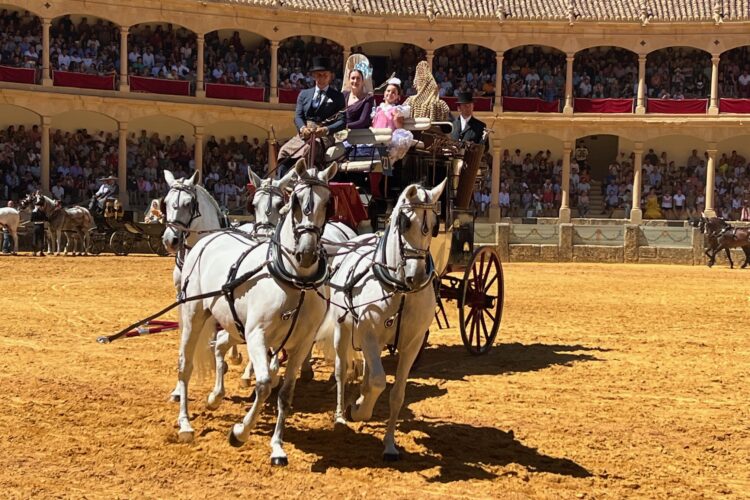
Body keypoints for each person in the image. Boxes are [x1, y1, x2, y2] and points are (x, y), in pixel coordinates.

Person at [277, 56, 346, 176]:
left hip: (323, 136)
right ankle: (281, 182)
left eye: (325, 75)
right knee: (283, 151)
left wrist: (326, 130)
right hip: (304, 134)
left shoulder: (338, 97)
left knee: (308, 149)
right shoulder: (304, 94)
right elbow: (298, 116)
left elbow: (342, 121)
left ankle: (303, 179)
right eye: (319, 75)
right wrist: (303, 128)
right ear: (314, 76)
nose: (322, 78)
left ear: (330, 76)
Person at [371, 78, 414, 165]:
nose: (390, 93)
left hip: (388, 140)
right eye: (388, 91)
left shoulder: (396, 109)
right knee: (373, 163)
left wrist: (396, 119)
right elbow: (373, 124)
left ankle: (385, 175)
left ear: (398, 97)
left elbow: (399, 128)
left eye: (393, 92)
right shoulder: (377, 109)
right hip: (376, 138)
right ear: (384, 93)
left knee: (384, 163)